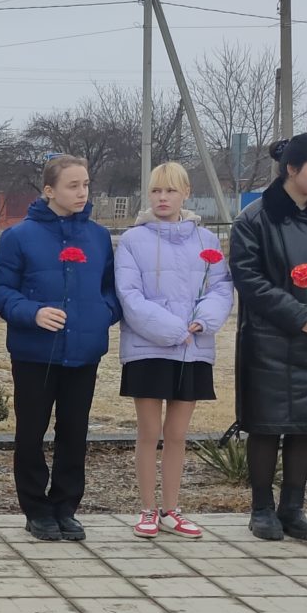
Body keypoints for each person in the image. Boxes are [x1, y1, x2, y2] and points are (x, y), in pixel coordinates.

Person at [230, 132, 307, 542]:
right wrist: (299, 315)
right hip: (270, 338)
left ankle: (293, 507)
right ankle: (261, 508)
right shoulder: (255, 218)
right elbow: (248, 278)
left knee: (305, 426)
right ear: (292, 169)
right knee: (267, 424)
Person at [0, 154, 117, 542]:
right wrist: (31, 313)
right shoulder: (18, 236)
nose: (82, 193)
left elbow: (111, 289)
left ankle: (66, 507)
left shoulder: (97, 236)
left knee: (74, 431)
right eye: (73, 186)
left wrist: (100, 314)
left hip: (84, 352)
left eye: (86, 185)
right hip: (34, 353)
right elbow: (0, 290)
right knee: (31, 431)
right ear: (49, 191)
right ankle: (36, 510)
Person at [115, 162, 232, 539]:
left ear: (185, 194)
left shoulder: (206, 242)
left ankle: (172, 509)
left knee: (178, 434)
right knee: (149, 432)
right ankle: (147, 509)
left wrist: (202, 322)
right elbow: (129, 295)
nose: (162, 198)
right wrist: (171, 329)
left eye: (170, 191)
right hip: (150, 348)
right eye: (155, 191)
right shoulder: (133, 240)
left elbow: (220, 289)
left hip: (192, 350)